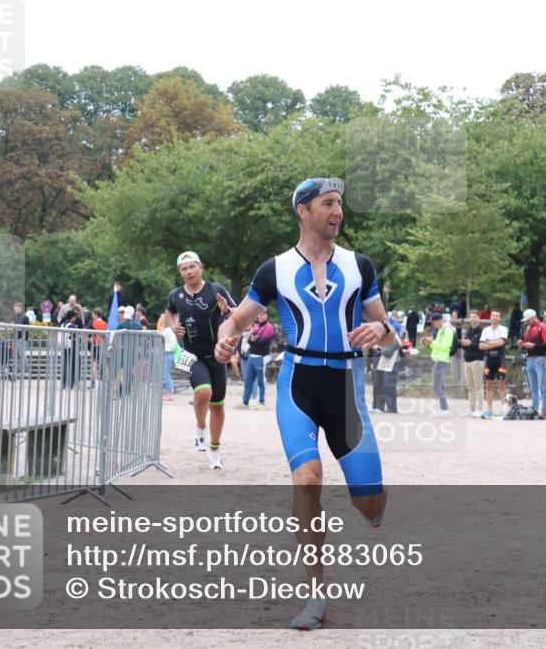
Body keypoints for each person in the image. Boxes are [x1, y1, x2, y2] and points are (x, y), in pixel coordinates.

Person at [213, 177, 391, 630]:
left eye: (340, 204)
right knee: (307, 477)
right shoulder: (273, 270)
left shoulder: (359, 265)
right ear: (303, 211)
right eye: (329, 203)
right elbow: (235, 321)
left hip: (347, 388)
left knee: (371, 503)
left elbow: (389, 330)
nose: (338, 212)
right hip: (298, 384)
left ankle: (369, 505)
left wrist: (381, 333)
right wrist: (223, 342)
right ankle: (315, 596)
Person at [164, 250, 235, 467]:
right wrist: (173, 326)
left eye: (192, 267)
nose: (189, 271)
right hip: (190, 354)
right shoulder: (175, 295)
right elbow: (169, 313)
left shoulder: (215, 290)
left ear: (201, 267)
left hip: (216, 354)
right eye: (184, 269)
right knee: (203, 390)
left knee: (218, 404)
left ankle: (214, 449)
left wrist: (226, 311)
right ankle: (200, 425)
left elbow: (236, 315)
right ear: (180, 273)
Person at [518, 308, 546, 418]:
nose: (526, 321)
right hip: (530, 358)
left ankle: (544, 410)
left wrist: (534, 346)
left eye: (528, 319)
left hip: (540, 358)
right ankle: (534, 409)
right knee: (533, 386)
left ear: (533, 317)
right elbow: (526, 340)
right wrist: (521, 342)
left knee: (542, 386)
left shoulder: (542, 327)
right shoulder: (528, 327)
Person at [241, 311, 275, 408]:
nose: (259, 316)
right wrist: (252, 340)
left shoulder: (269, 327)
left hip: (261, 357)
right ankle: (245, 402)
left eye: (262, 314)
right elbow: (249, 340)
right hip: (251, 356)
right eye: (258, 314)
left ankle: (261, 401)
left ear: (266, 315)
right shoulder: (256, 326)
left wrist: (253, 340)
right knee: (248, 380)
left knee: (261, 381)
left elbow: (262, 341)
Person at [425, 312, 455, 417]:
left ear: (439, 320)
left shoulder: (447, 330)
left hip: (442, 360)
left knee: (436, 386)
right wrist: (430, 343)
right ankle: (443, 409)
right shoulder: (440, 330)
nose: (433, 324)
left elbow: (446, 346)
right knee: (440, 386)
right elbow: (437, 346)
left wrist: (432, 342)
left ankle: (445, 410)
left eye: (433, 322)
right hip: (438, 359)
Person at [479, 310, 508, 418]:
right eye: (493, 315)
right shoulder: (485, 330)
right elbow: (480, 346)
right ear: (490, 317)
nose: (494, 317)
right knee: (488, 385)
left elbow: (502, 342)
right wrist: (495, 343)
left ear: (499, 318)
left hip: (500, 360)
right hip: (488, 360)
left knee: (502, 385)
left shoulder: (503, 329)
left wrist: (488, 343)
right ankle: (489, 411)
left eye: (497, 316)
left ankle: (505, 411)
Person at [460, 310, 486, 417]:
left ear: (478, 318)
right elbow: (466, 346)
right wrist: (463, 344)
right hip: (467, 360)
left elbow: (481, 346)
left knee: (478, 386)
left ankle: (479, 408)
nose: (472, 319)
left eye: (474, 317)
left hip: (477, 361)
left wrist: (470, 343)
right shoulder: (468, 330)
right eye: (471, 317)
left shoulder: (482, 331)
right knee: (469, 386)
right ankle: (471, 407)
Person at [158, 314, 177, 401]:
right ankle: (167, 392)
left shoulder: (168, 331)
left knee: (166, 373)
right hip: (165, 353)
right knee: (164, 373)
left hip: (168, 353)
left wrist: (165, 348)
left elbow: (173, 344)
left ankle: (169, 392)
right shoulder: (164, 330)